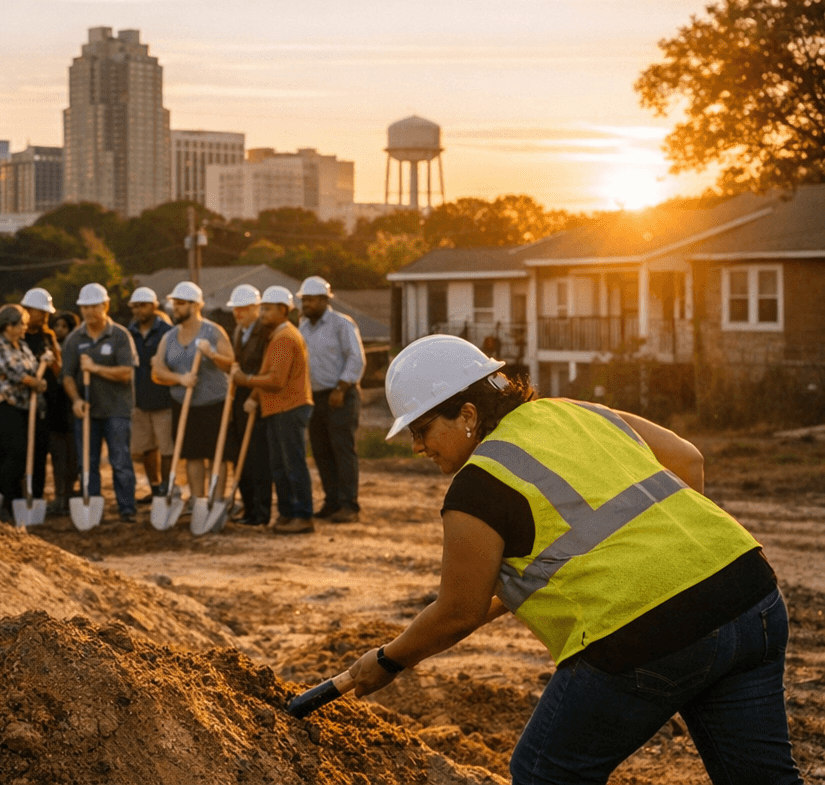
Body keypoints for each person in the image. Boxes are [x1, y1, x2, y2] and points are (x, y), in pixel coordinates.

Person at [338, 334, 801, 784]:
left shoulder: (477, 485)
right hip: (750, 595)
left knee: (544, 772)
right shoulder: (574, 412)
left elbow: (458, 612)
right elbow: (688, 460)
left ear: (468, 414)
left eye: (421, 430)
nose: (417, 446)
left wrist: (387, 660)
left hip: (644, 635)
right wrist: (676, 566)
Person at [231, 286, 315, 533]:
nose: (262, 314)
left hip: (289, 407)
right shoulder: (276, 336)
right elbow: (269, 376)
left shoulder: (284, 338)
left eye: (267, 309)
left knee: (292, 464)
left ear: (282, 310)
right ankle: (288, 514)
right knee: (280, 465)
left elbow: (276, 380)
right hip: (277, 408)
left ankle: (302, 515)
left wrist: (245, 381)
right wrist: (255, 394)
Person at [149, 282, 235, 506]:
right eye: (173, 303)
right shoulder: (169, 337)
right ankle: (198, 502)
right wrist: (180, 379)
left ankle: (216, 501)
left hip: (214, 403)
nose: (174, 308)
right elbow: (157, 371)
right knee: (192, 455)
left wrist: (212, 354)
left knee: (218, 455)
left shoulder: (213, 331)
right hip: (184, 404)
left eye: (180, 304)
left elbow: (231, 365)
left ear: (196, 305)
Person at [61, 283, 139, 522]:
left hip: (117, 410)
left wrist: (95, 369)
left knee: (120, 461)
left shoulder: (120, 336)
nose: (88, 312)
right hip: (87, 412)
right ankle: (92, 509)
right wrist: (75, 400)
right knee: (88, 463)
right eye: (84, 307)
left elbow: (126, 373)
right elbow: (67, 377)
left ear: (105, 306)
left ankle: (127, 509)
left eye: (94, 306)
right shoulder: (74, 339)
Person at [298, 275, 365, 522]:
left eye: (311, 300)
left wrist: (341, 388)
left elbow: (356, 358)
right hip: (314, 398)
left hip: (341, 395)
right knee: (321, 451)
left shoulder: (342, 324)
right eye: (304, 300)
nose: (306, 304)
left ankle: (349, 505)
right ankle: (332, 502)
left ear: (325, 300)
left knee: (342, 449)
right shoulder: (302, 328)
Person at [0, 304, 45, 507]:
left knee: (9, 452)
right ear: (8, 325)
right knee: (17, 450)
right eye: (21, 324)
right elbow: (13, 371)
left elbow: (32, 368)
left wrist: (38, 380)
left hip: (17, 406)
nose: (24, 328)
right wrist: (34, 382)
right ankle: (7, 497)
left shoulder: (20, 345)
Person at [225, 284, 273, 526]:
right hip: (239, 399)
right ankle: (248, 509)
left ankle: (261, 513)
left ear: (256, 308)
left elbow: (266, 368)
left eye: (243, 309)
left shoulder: (265, 332)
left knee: (258, 457)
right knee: (240, 456)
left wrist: (254, 396)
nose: (238, 313)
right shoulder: (238, 331)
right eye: (236, 309)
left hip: (258, 399)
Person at [126, 286, 174, 501]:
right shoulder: (130, 332)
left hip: (164, 397)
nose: (138, 310)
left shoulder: (167, 331)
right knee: (146, 447)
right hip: (139, 398)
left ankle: (166, 487)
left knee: (166, 448)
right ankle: (154, 488)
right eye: (135, 306)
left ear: (154, 306)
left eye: (143, 305)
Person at [20, 288, 62, 503]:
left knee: (41, 451)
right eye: (41, 312)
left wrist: (52, 361)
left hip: (48, 401)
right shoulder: (19, 335)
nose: (45, 316)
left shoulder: (48, 336)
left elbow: (59, 367)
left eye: (47, 313)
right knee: (22, 449)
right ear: (27, 310)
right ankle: (19, 494)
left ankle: (36, 495)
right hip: (25, 401)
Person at [48, 309, 80, 499]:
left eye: (64, 326)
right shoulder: (49, 349)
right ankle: (60, 494)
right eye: (56, 326)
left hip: (73, 407)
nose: (59, 330)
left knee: (74, 455)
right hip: (55, 409)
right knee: (58, 455)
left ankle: (70, 490)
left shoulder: (75, 348)